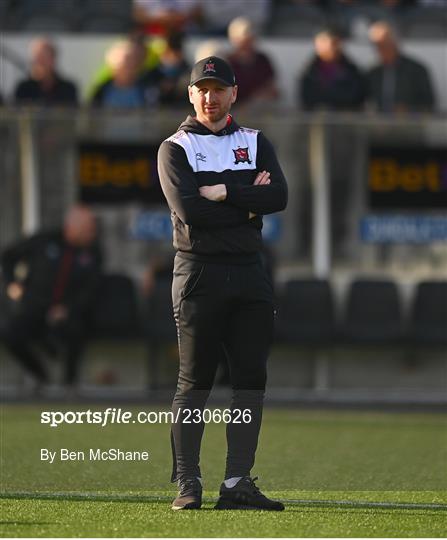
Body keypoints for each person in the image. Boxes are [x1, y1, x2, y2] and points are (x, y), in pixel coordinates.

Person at [157, 56, 287, 511]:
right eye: (202, 89)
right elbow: (191, 212)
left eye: (219, 89)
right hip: (199, 274)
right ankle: (188, 483)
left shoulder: (255, 141)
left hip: (249, 273)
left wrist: (227, 192)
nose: (210, 98)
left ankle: (237, 483)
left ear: (233, 93)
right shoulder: (174, 148)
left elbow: (279, 196)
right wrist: (250, 206)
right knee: (195, 381)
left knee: (250, 379)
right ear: (191, 94)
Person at [1, 205, 102, 388]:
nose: (92, 233)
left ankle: (69, 385)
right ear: (73, 227)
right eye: (88, 229)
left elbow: (92, 288)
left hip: (68, 313)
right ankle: (41, 376)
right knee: (11, 333)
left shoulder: (93, 252)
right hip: (35, 308)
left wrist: (68, 309)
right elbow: (7, 256)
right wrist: (12, 284)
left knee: (77, 330)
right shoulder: (45, 240)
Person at [367, 21, 435, 112]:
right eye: (378, 45)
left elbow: (429, 103)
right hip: (379, 124)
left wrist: (408, 110)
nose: (382, 49)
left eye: (385, 43)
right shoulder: (373, 72)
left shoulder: (417, 70)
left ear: (395, 42)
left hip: (409, 124)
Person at [299, 27, 366, 110]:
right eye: (324, 42)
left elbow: (355, 98)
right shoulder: (308, 73)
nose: (329, 47)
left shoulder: (352, 72)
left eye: (334, 43)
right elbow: (307, 99)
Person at [90, 40, 160, 108]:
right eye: (126, 61)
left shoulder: (149, 90)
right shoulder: (102, 90)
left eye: (135, 60)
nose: (131, 65)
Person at [227, 17, 278, 106]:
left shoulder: (263, 60)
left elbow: (272, 87)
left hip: (261, 111)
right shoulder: (228, 63)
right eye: (244, 40)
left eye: (251, 39)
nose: (248, 43)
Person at [14, 37, 78, 106]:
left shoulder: (68, 89)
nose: (39, 63)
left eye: (44, 58)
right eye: (36, 59)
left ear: (53, 59)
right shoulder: (23, 89)